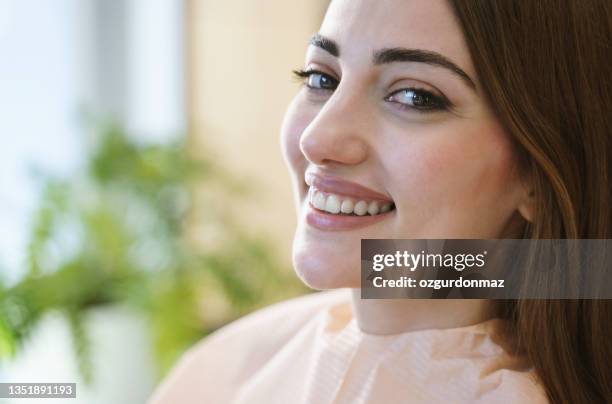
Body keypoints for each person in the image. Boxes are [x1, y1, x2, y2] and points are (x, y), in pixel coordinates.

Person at [148, 0, 612, 403]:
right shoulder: (235, 363)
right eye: (320, 77)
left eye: (413, 96)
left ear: (535, 170)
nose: (318, 138)